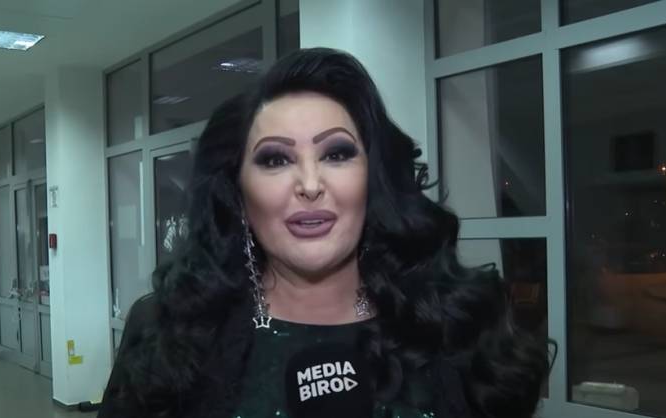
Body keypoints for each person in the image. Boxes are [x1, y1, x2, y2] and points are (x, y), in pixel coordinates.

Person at [98, 48, 548, 418]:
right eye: (275, 159)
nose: (310, 185)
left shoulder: (459, 326)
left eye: (336, 154)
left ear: (373, 178)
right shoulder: (167, 331)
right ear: (238, 191)